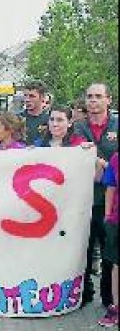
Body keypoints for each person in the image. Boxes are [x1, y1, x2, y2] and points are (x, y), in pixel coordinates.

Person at [74, 82, 118, 308]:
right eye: (89, 96)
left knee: (109, 250)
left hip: (111, 200)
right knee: (84, 248)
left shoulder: (117, 124)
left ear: (108, 99)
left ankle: (109, 299)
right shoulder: (77, 127)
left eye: (98, 96)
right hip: (83, 198)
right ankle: (83, 294)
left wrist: (102, 164)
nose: (93, 100)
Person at [98, 152, 118, 327]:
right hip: (117, 220)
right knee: (117, 265)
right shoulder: (116, 158)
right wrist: (107, 215)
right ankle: (115, 307)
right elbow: (110, 187)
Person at [20, 80, 50, 146]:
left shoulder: (50, 119)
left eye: (32, 96)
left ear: (42, 97)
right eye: (25, 95)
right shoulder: (17, 119)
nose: (27, 100)